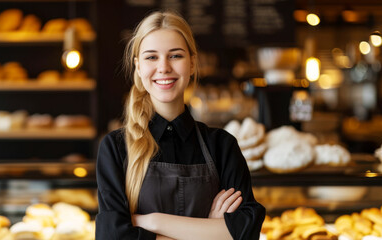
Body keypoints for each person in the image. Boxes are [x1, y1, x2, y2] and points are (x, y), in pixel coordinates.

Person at [96, 11, 265, 239]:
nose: (164, 67)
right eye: (151, 57)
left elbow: (247, 230)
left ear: (193, 63)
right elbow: (112, 235)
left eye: (175, 56)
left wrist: (152, 221)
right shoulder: (115, 147)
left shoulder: (222, 146)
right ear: (138, 66)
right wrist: (209, 231)